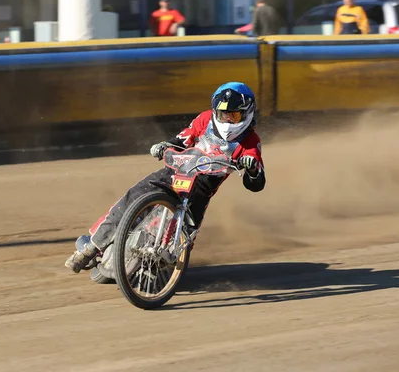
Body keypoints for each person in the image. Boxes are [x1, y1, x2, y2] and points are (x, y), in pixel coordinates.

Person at [65, 82, 266, 273]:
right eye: (223, 114)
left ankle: (163, 263)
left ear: (247, 114)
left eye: (234, 115)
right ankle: (91, 247)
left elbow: (256, 184)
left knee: (186, 236)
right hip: (175, 171)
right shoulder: (205, 120)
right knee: (133, 197)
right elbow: (180, 140)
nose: (228, 120)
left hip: (201, 188)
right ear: (216, 112)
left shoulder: (250, 141)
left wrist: (252, 169)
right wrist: (163, 146)